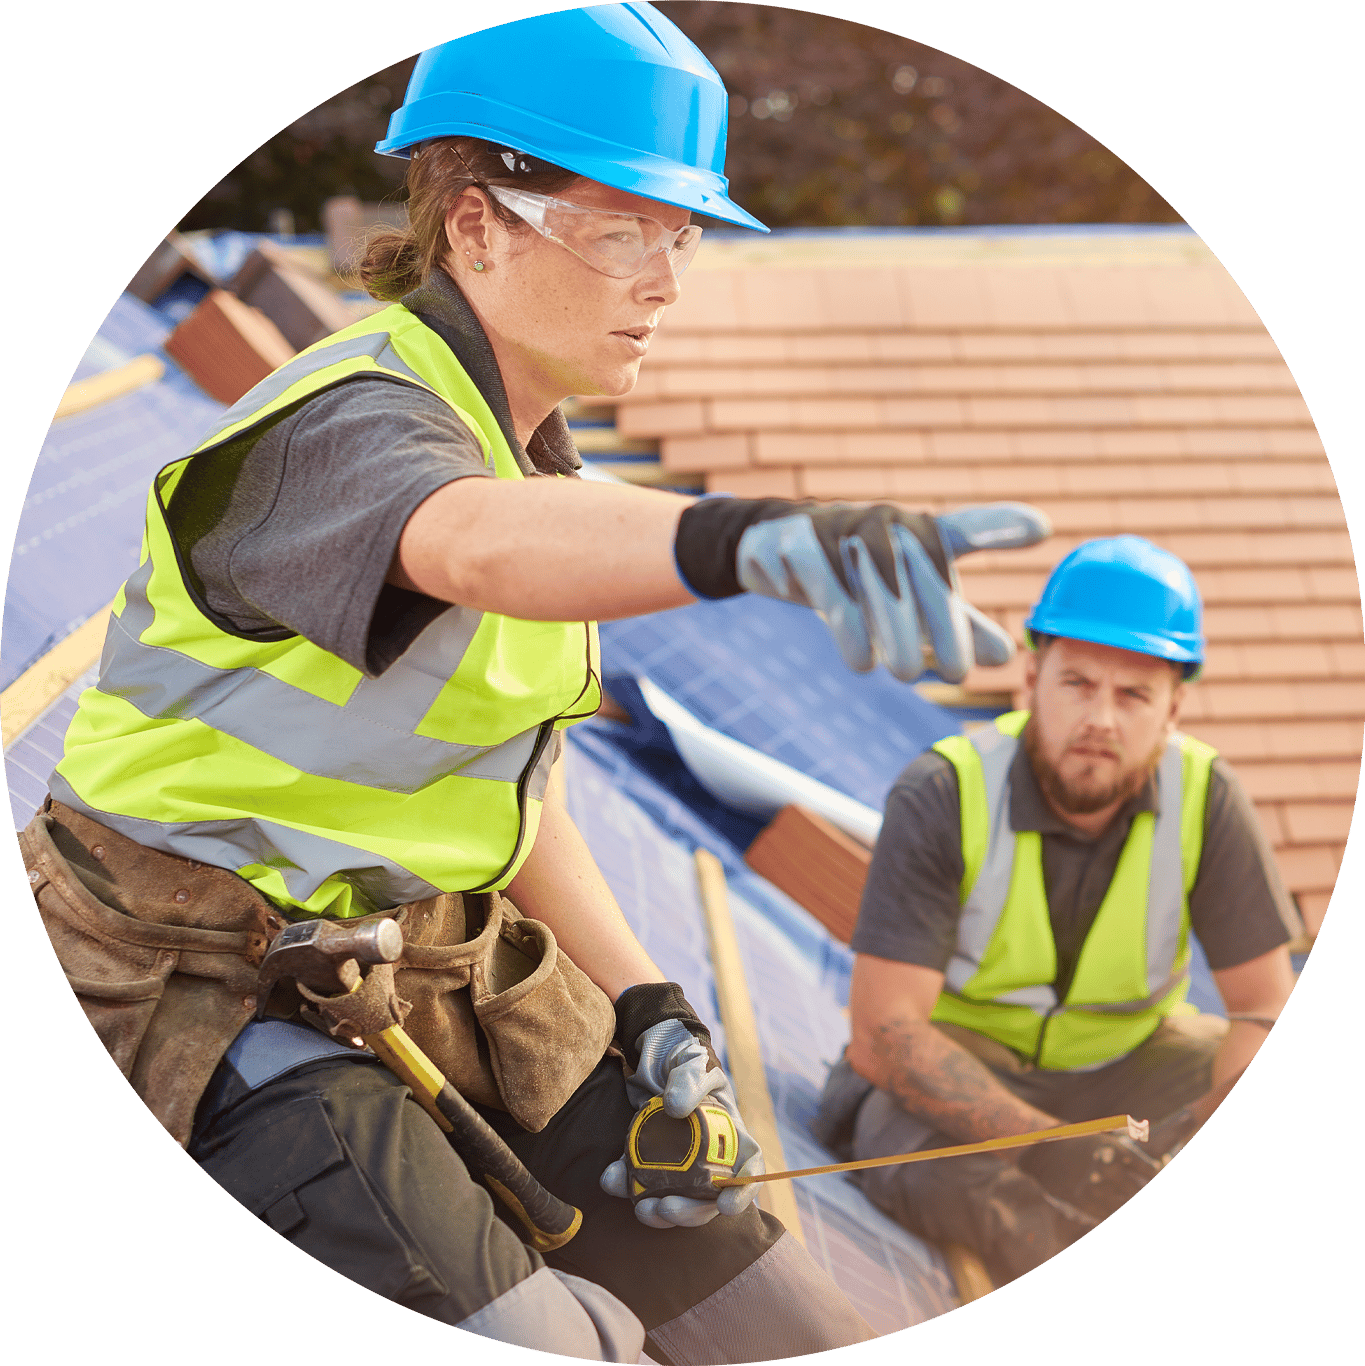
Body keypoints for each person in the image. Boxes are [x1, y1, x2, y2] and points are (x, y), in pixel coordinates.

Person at [24, 5, 1048, 1358]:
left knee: (777, 1312)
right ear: (476, 224)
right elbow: (468, 541)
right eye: (625, 230)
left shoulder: (532, 457)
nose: (666, 281)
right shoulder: (347, 420)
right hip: (205, 979)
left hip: (427, 958)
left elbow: (511, 781)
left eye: (683, 236)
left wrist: (647, 1002)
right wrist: (741, 540)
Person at [813, 534, 1300, 1287]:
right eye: (1078, 683)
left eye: (1134, 695)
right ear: (1033, 678)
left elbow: (1263, 1009)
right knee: (916, 1155)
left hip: (1126, 1065)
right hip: (968, 1060)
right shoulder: (944, 793)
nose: (1101, 718)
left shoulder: (1208, 799)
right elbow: (885, 1034)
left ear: (1173, 707)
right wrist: (1052, 1145)